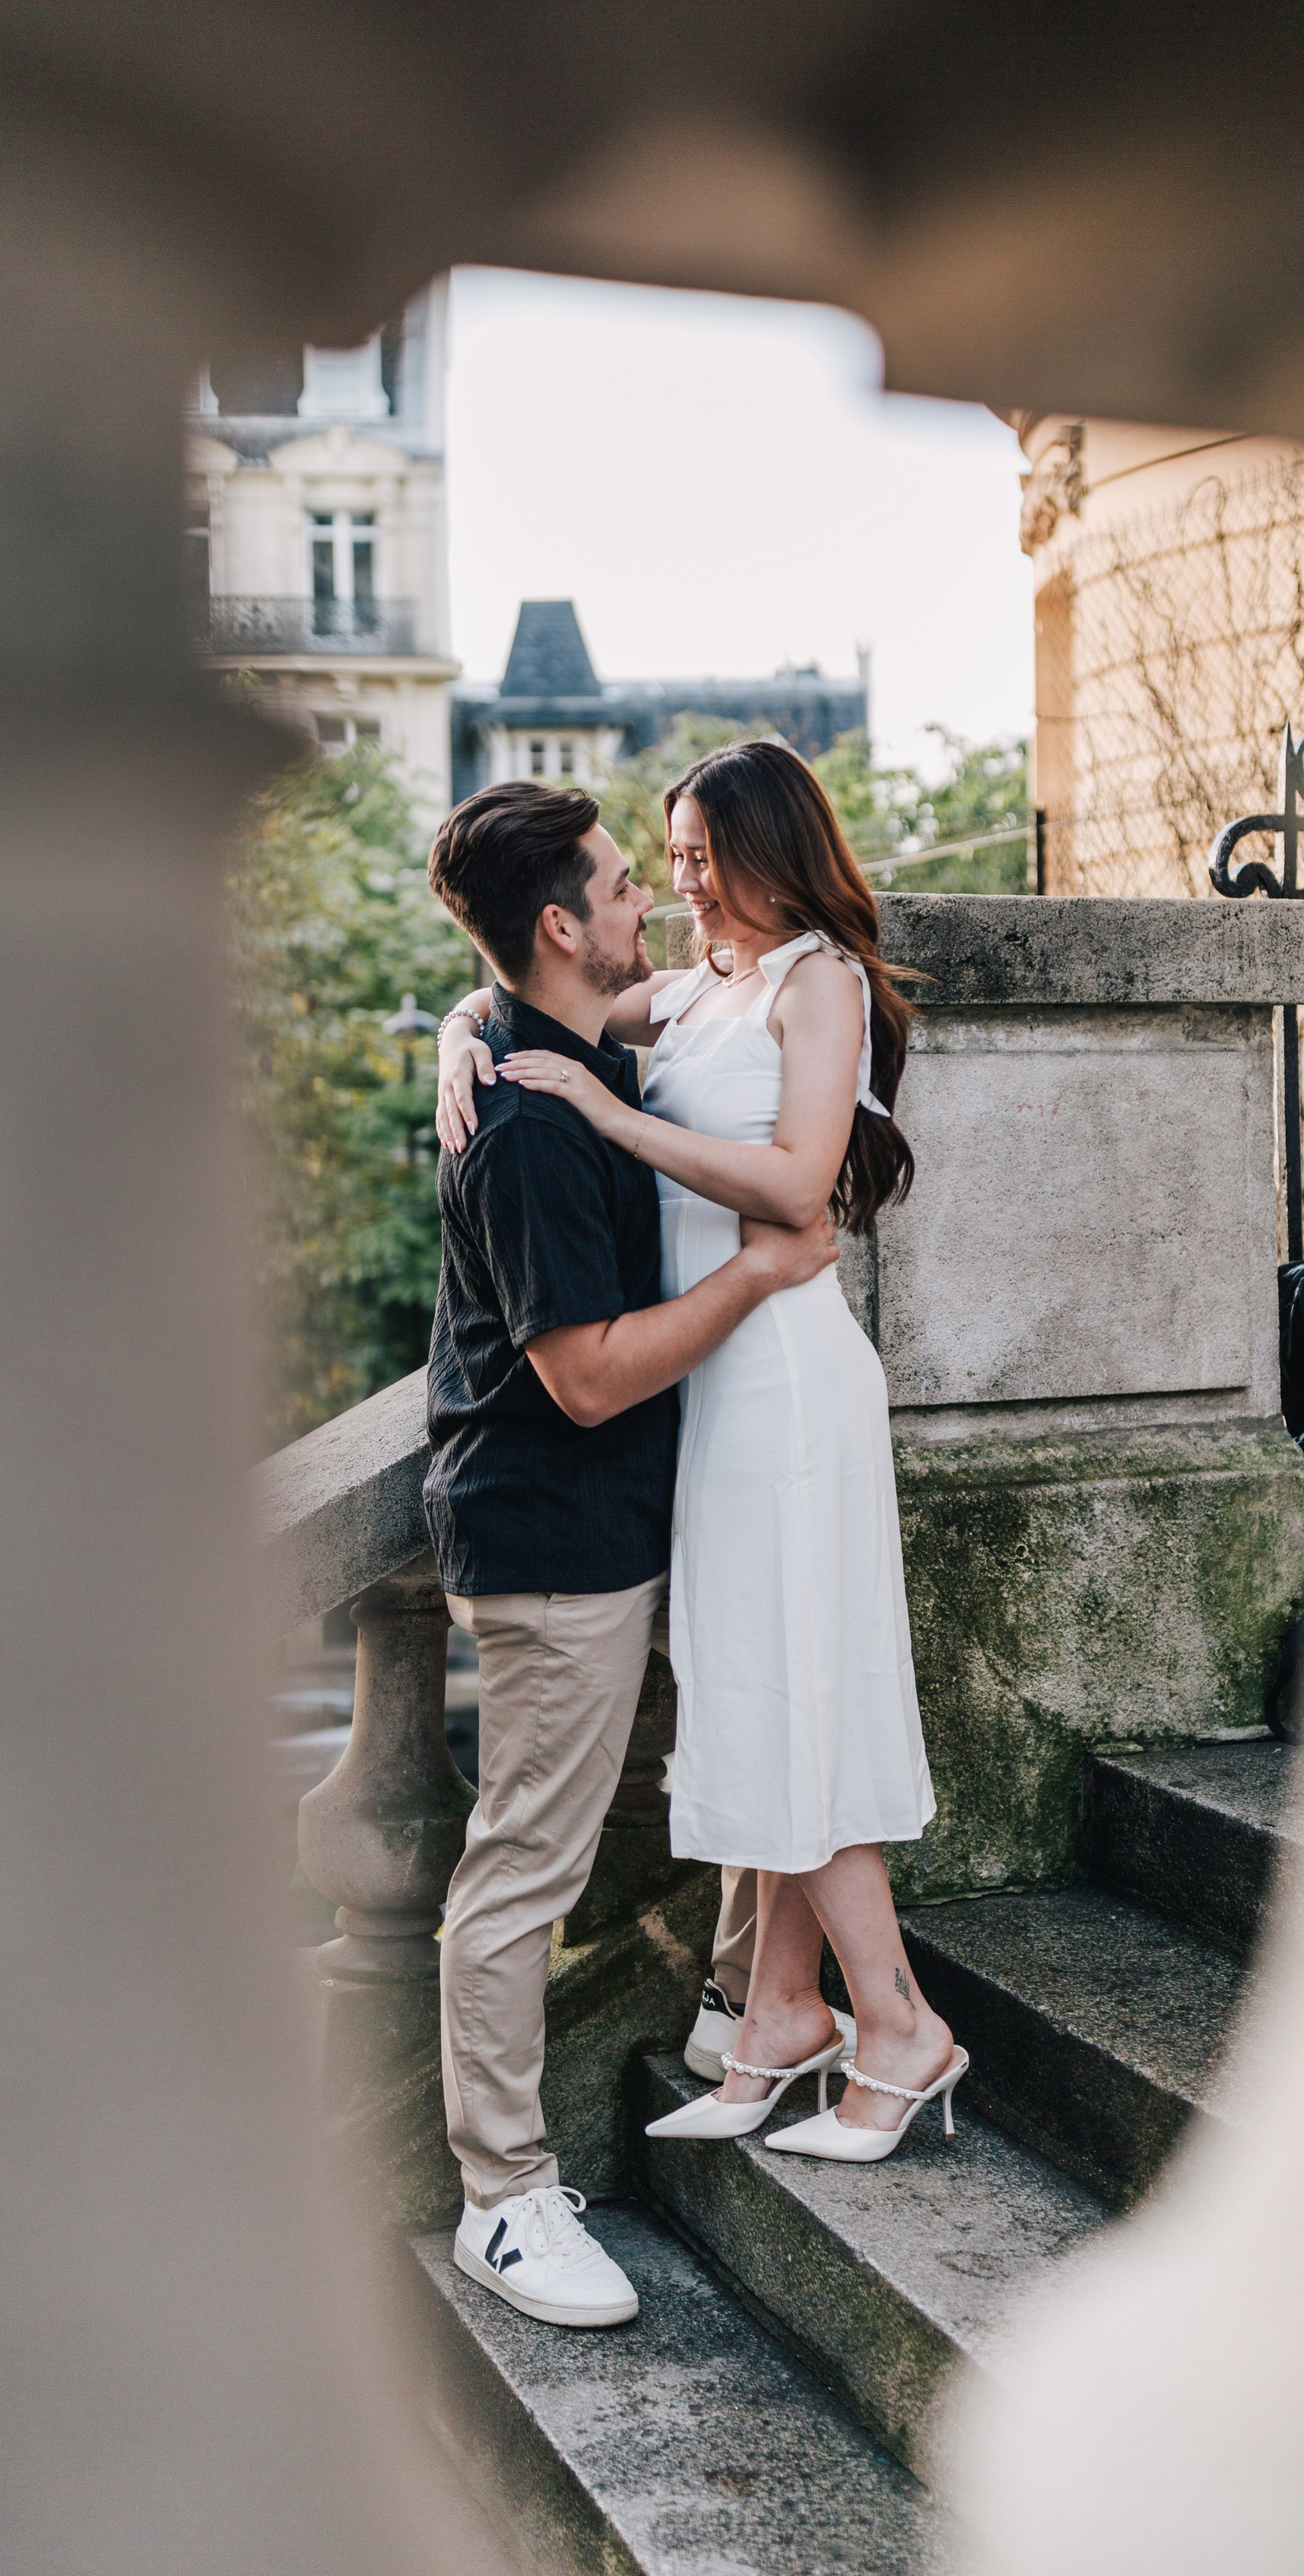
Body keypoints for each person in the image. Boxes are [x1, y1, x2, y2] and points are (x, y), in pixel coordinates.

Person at [437, 738, 966, 2172]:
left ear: (761, 848)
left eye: (692, 855)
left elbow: (801, 1184)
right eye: (656, 861)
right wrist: (455, 1035)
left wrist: (611, 1112)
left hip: (787, 1389)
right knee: (753, 1689)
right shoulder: (699, 992)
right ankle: (780, 2014)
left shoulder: (817, 982)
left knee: (787, 1691)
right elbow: (535, 988)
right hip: (718, 1395)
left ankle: (899, 2024)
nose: (672, 884)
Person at [421, 781, 837, 2331]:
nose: (643, 904)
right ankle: (503, 2199)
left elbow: (734, 1002)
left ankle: (752, 2008)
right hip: (549, 1543)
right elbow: (585, 1374)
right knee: (523, 1864)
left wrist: (464, 1016)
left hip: (640, 1517)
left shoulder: (563, 1046)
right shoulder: (526, 1123)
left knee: (728, 1760)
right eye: (616, 886)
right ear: (556, 922)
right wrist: (759, 1277)